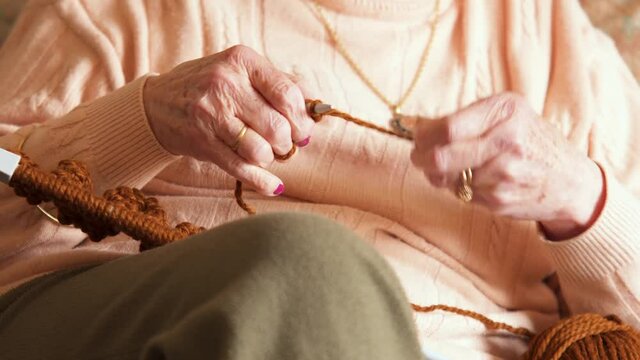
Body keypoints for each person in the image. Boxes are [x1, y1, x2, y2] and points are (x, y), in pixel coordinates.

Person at [0, 0, 639, 358]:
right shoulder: (116, 10)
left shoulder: (561, 43)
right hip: (150, 318)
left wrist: (583, 199)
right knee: (312, 269)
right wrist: (141, 122)